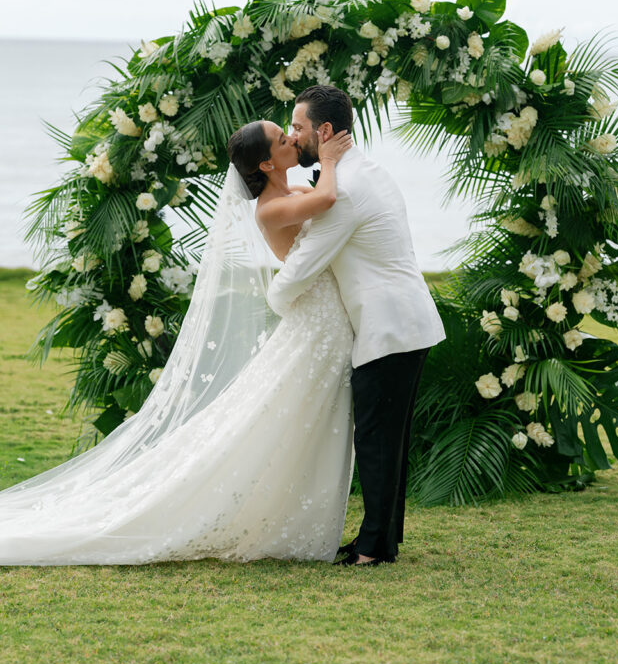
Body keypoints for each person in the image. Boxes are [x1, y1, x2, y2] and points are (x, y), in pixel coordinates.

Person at [0, 120, 356, 566]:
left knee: (285, 415)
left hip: (319, 318)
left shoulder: (290, 193)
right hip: (314, 321)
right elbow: (327, 198)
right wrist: (328, 159)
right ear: (266, 162)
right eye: (282, 140)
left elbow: (328, 202)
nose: (290, 138)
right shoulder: (268, 207)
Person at [268, 85, 446, 567]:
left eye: (299, 127)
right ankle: (382, 540)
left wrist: (279, 299)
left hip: (388, 327)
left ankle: (371, 548)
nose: (293, 135)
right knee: (389, 438)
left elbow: (300, 270)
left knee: (375, 438)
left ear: (324, 132)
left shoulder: (343, 191)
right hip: (407, 319)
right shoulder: (366, 172)